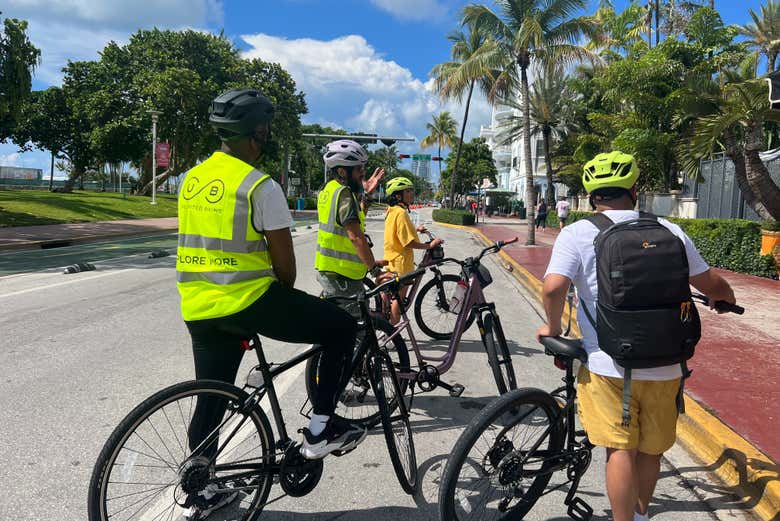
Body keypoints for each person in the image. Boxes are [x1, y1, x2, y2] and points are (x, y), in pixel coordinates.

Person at [177, 89, 365, 519]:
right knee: (340, 328)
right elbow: (285, 268)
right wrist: (278, 292)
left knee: (213, 397)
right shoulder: (259, 186)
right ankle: (320, 428)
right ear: (257, 134)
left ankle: (199, 483)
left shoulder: (190, 180)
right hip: (250, 299)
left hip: (198, 306)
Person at [536, 151, 736, 521]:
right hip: (667, 363)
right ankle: (641, 516)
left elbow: (552, 289)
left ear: (591, 193)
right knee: (649, 451)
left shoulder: (577, 232)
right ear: (634, 189)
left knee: (619, 450)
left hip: (608, 364)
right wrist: (727, 297)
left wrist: (552, 327)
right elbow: (711, 284)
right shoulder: (670, 229)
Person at [315, 139, 387, 318]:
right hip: (341, 276)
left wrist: (368, 194)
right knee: (356, 329)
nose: (363, 173)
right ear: (342, 171)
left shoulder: (328, 189)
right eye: (358, 169)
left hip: (334, 271)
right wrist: (375, 271)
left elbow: (356, 218)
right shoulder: (344, 194)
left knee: (337, 327)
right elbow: (356, 237)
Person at [383, 176, 443, 324]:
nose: (412, 194)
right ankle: (391, 332)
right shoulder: (401, 213)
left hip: (391, 259)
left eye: (412, 191)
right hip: (401, 264)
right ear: (398, 195)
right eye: (408, 191)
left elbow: (397, 231)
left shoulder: (392, 210)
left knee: (390, 297)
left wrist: (416, 229)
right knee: (399, 300)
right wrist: (429, 245)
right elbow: (407, 242)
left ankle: (385, 326)